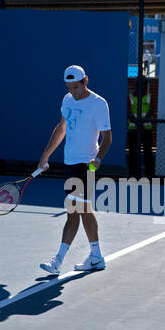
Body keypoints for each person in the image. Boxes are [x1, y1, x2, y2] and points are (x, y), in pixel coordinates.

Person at [38, 65, 112, 274]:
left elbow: (107, 137)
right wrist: (46, 155)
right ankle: (96, 256)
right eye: (69, 87)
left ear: (85, 81)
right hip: (70, 162)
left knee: (73, 210)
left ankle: (58, 260)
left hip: (86, 163)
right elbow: (61, 128)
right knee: (83, 210)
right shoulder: (67, 99)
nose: (73, 91)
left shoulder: (98, 104)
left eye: (76, 87)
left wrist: (98, 159)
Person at [127, 76, 154, 176]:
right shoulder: (130, 97)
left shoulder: (149, 96)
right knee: (133, 154)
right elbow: (128, 112)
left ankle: (149, 175)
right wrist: (140, 124)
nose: (145, 86)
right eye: (143, 84)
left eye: (145, 84)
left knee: (148, 153)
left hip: (146, 130)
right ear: (137, 85)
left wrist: (141, 123)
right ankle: (132, 174)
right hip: (133, 130)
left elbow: (151, 111)